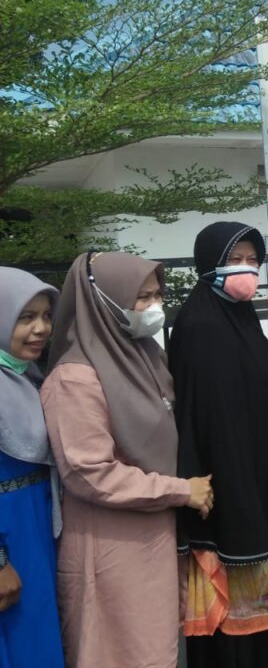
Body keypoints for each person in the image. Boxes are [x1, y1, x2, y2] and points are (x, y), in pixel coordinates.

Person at [39, 252, 212, 668]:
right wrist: (179, 491)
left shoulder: (146, 358)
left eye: (157, 295)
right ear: (106, 302)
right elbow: (90, 473)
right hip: (110, 550)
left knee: (155, 652)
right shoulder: (75, 378)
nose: (154, 307)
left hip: (154, 538)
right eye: (142, 297)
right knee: (117, 653)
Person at [170, 222, 268, 667]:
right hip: (233, 502)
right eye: (235, 260)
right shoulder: (199, 326)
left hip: (267, 491)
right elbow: (211, 424)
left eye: (253, 260)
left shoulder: (244, 319)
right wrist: (240, 501)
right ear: (209, 264)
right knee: (238, 638)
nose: (247, 269)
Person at [0, 268, 63, 668]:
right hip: (9, 536)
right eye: (26, 318)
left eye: (45, 316)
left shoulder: (26, 377)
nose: (41, 329)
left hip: (33, 527)